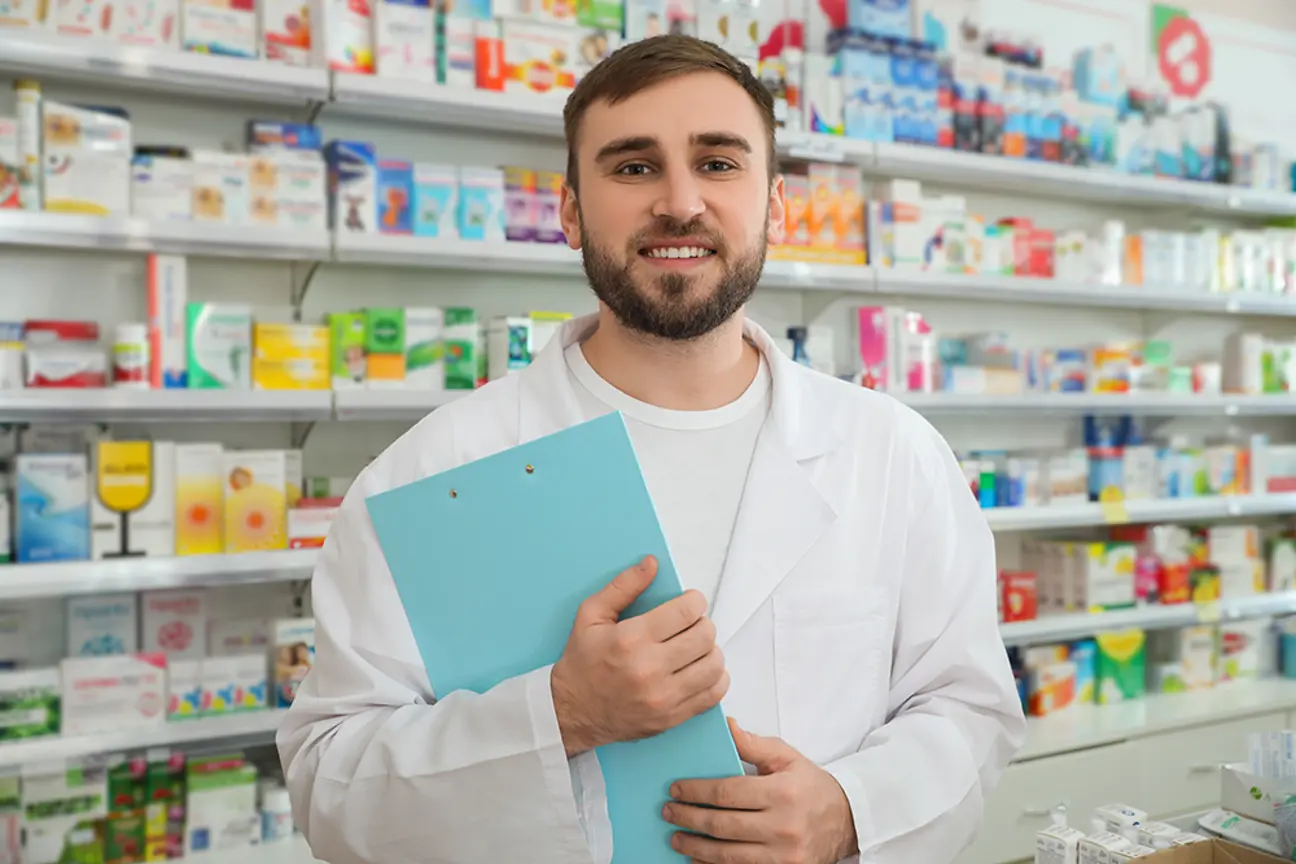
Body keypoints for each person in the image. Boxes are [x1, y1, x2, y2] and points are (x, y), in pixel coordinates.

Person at [277, 34, 1026, 864]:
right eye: (633, 167)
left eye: (717, 163)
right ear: (569, 211)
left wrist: (852, 808)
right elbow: (327, 784)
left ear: (776, 207)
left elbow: (970, 710)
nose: (679, 203)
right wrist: (559, 713)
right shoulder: (433, 472)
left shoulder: (894, 455)